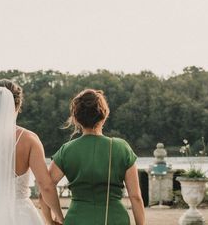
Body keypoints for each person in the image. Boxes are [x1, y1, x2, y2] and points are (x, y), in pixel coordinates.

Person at [0, 79, 64, 225]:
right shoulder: (29, 139)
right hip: (21, 215)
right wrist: (58, 216)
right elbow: (45, 185)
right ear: (18, 104)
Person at [41, 89, 145, 225]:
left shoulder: (66, 150)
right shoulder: (121, 148)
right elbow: (135, 197)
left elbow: (46, 188)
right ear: (104, 115)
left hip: (77, 219)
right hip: (114, 219)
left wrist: (55, 219)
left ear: (76, 119)